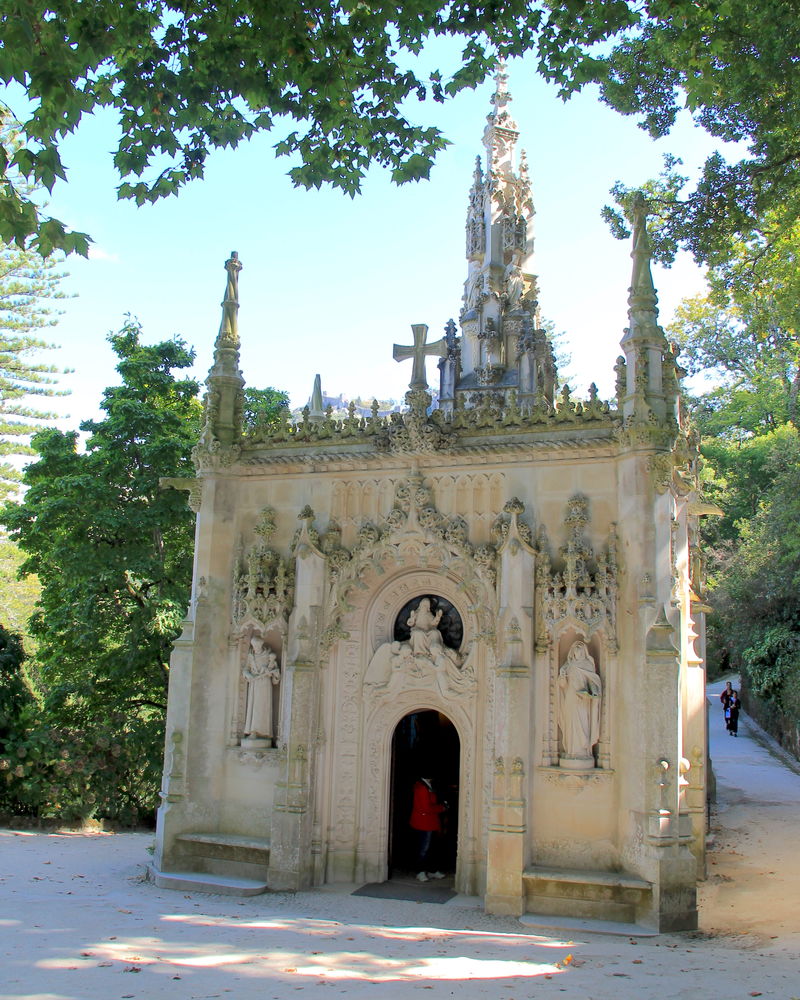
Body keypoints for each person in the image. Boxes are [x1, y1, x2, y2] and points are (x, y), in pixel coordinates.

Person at [557, 640, 602, 760]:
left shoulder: (588, 664)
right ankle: (571, 751)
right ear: (573, 651)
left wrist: (592, 693)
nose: (578, 651)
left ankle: (583, 752)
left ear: (584, 651)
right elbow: (563, 686)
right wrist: (562, 677)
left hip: (583, 699)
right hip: (570, 697)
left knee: (583, 724)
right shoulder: (568, 666)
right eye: (576, 649)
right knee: (570, 723)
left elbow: (593, 682)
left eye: (580, 648)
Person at [242, 636, 281, 741]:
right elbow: (246, 669)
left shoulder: (268, 656)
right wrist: (248, 674)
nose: (255, 649)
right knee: (254, 707)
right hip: (254, 684)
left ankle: (263, 732)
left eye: (257, 646)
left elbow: (276, 673)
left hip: (265, 685)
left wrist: (272, 673)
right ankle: (253, 731)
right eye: (254, 647)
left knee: (262, 707)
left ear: (261, 645)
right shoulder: (251, 656)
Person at [409, 775, 446, 882]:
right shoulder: (421, 787)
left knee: (432, 848)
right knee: (423, 849)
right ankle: (420, 871)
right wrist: (442, 808)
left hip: (430, 821)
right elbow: (426, 807)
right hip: (424, 823)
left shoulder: (426, 785)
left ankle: (432, 870)